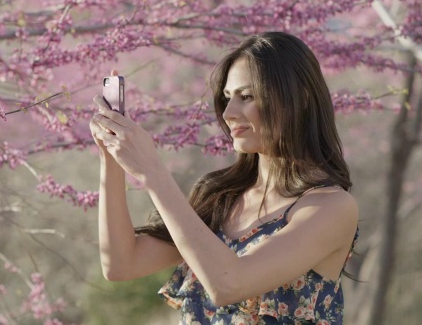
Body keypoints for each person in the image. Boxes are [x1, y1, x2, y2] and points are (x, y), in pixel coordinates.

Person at [90, 32, 359, 325]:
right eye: (227, 98)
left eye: (247, 96)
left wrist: (153, 173)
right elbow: (120, 264)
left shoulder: (332, 208)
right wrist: (111, 154)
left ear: (301, 99)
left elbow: (229, 284)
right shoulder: (221, 198)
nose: (229, 113)